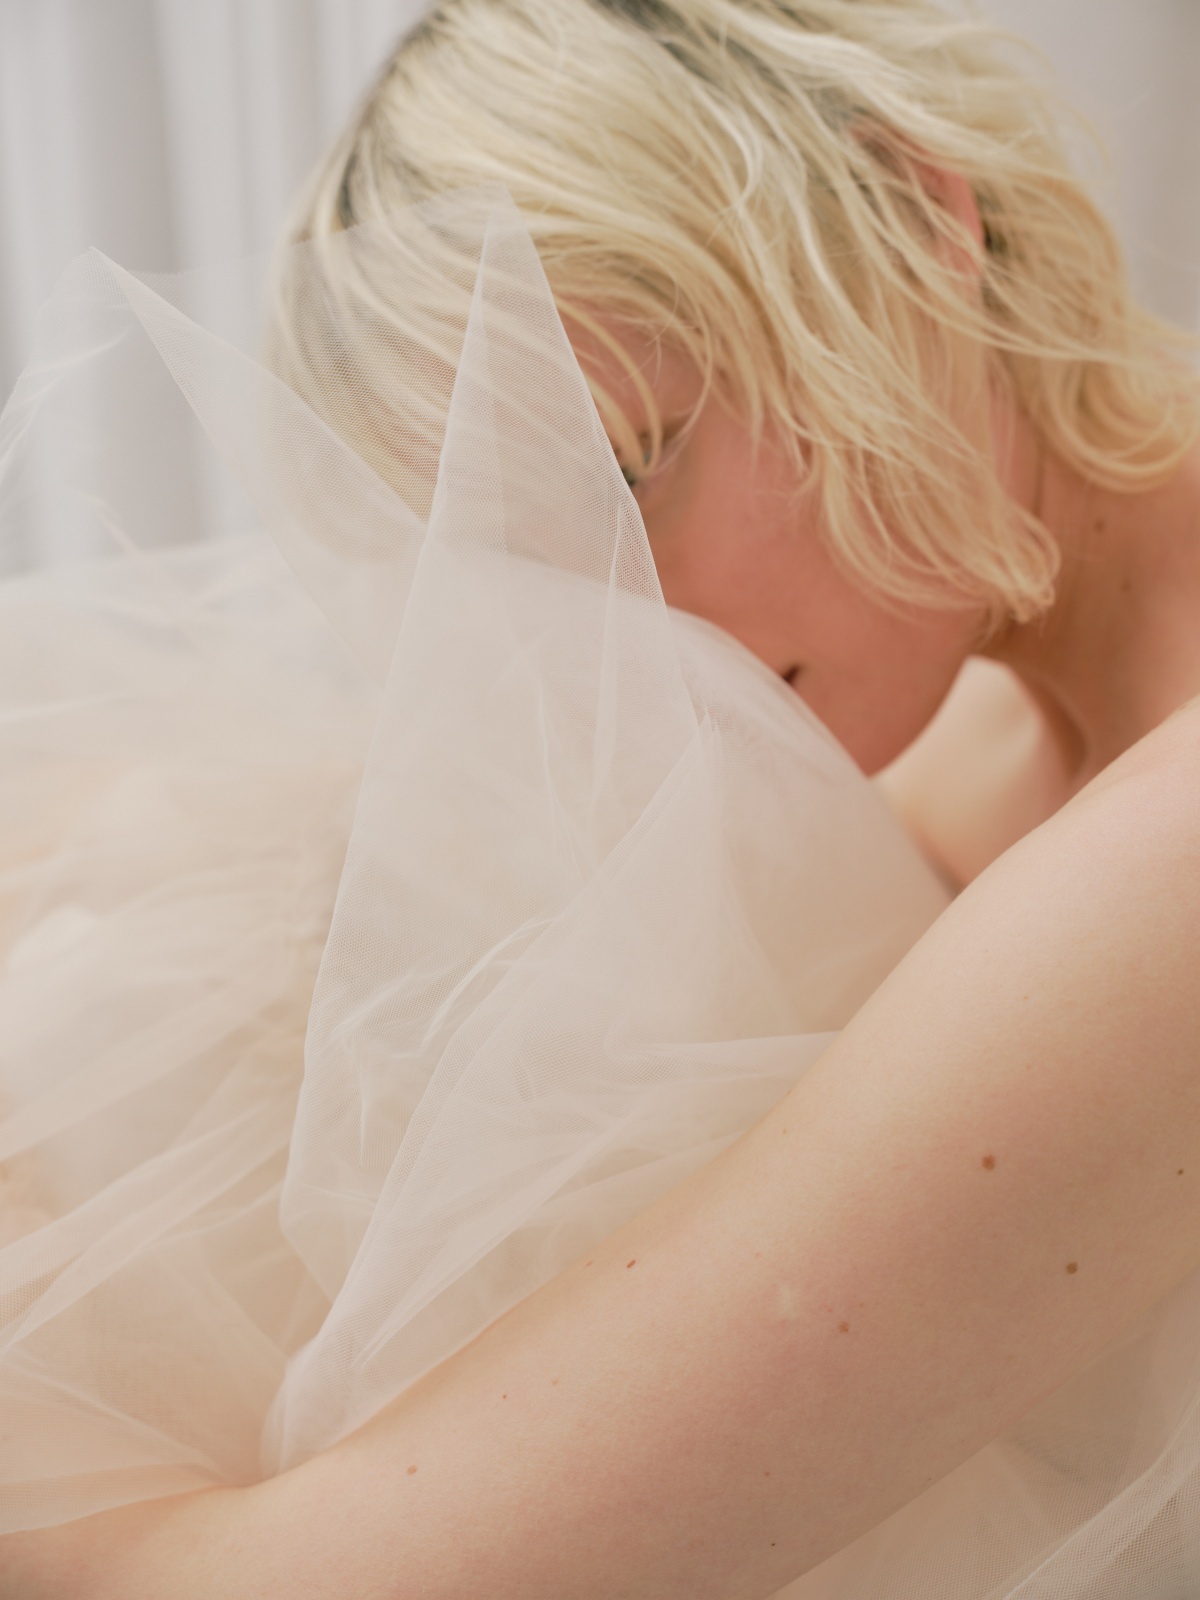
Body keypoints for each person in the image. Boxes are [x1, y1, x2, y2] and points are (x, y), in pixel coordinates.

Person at [4, 1, 1200, 1595]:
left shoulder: (1162, 868)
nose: (632, 642)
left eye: (633, 475)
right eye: (539, 575)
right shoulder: (971, 758)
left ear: (914, 221)